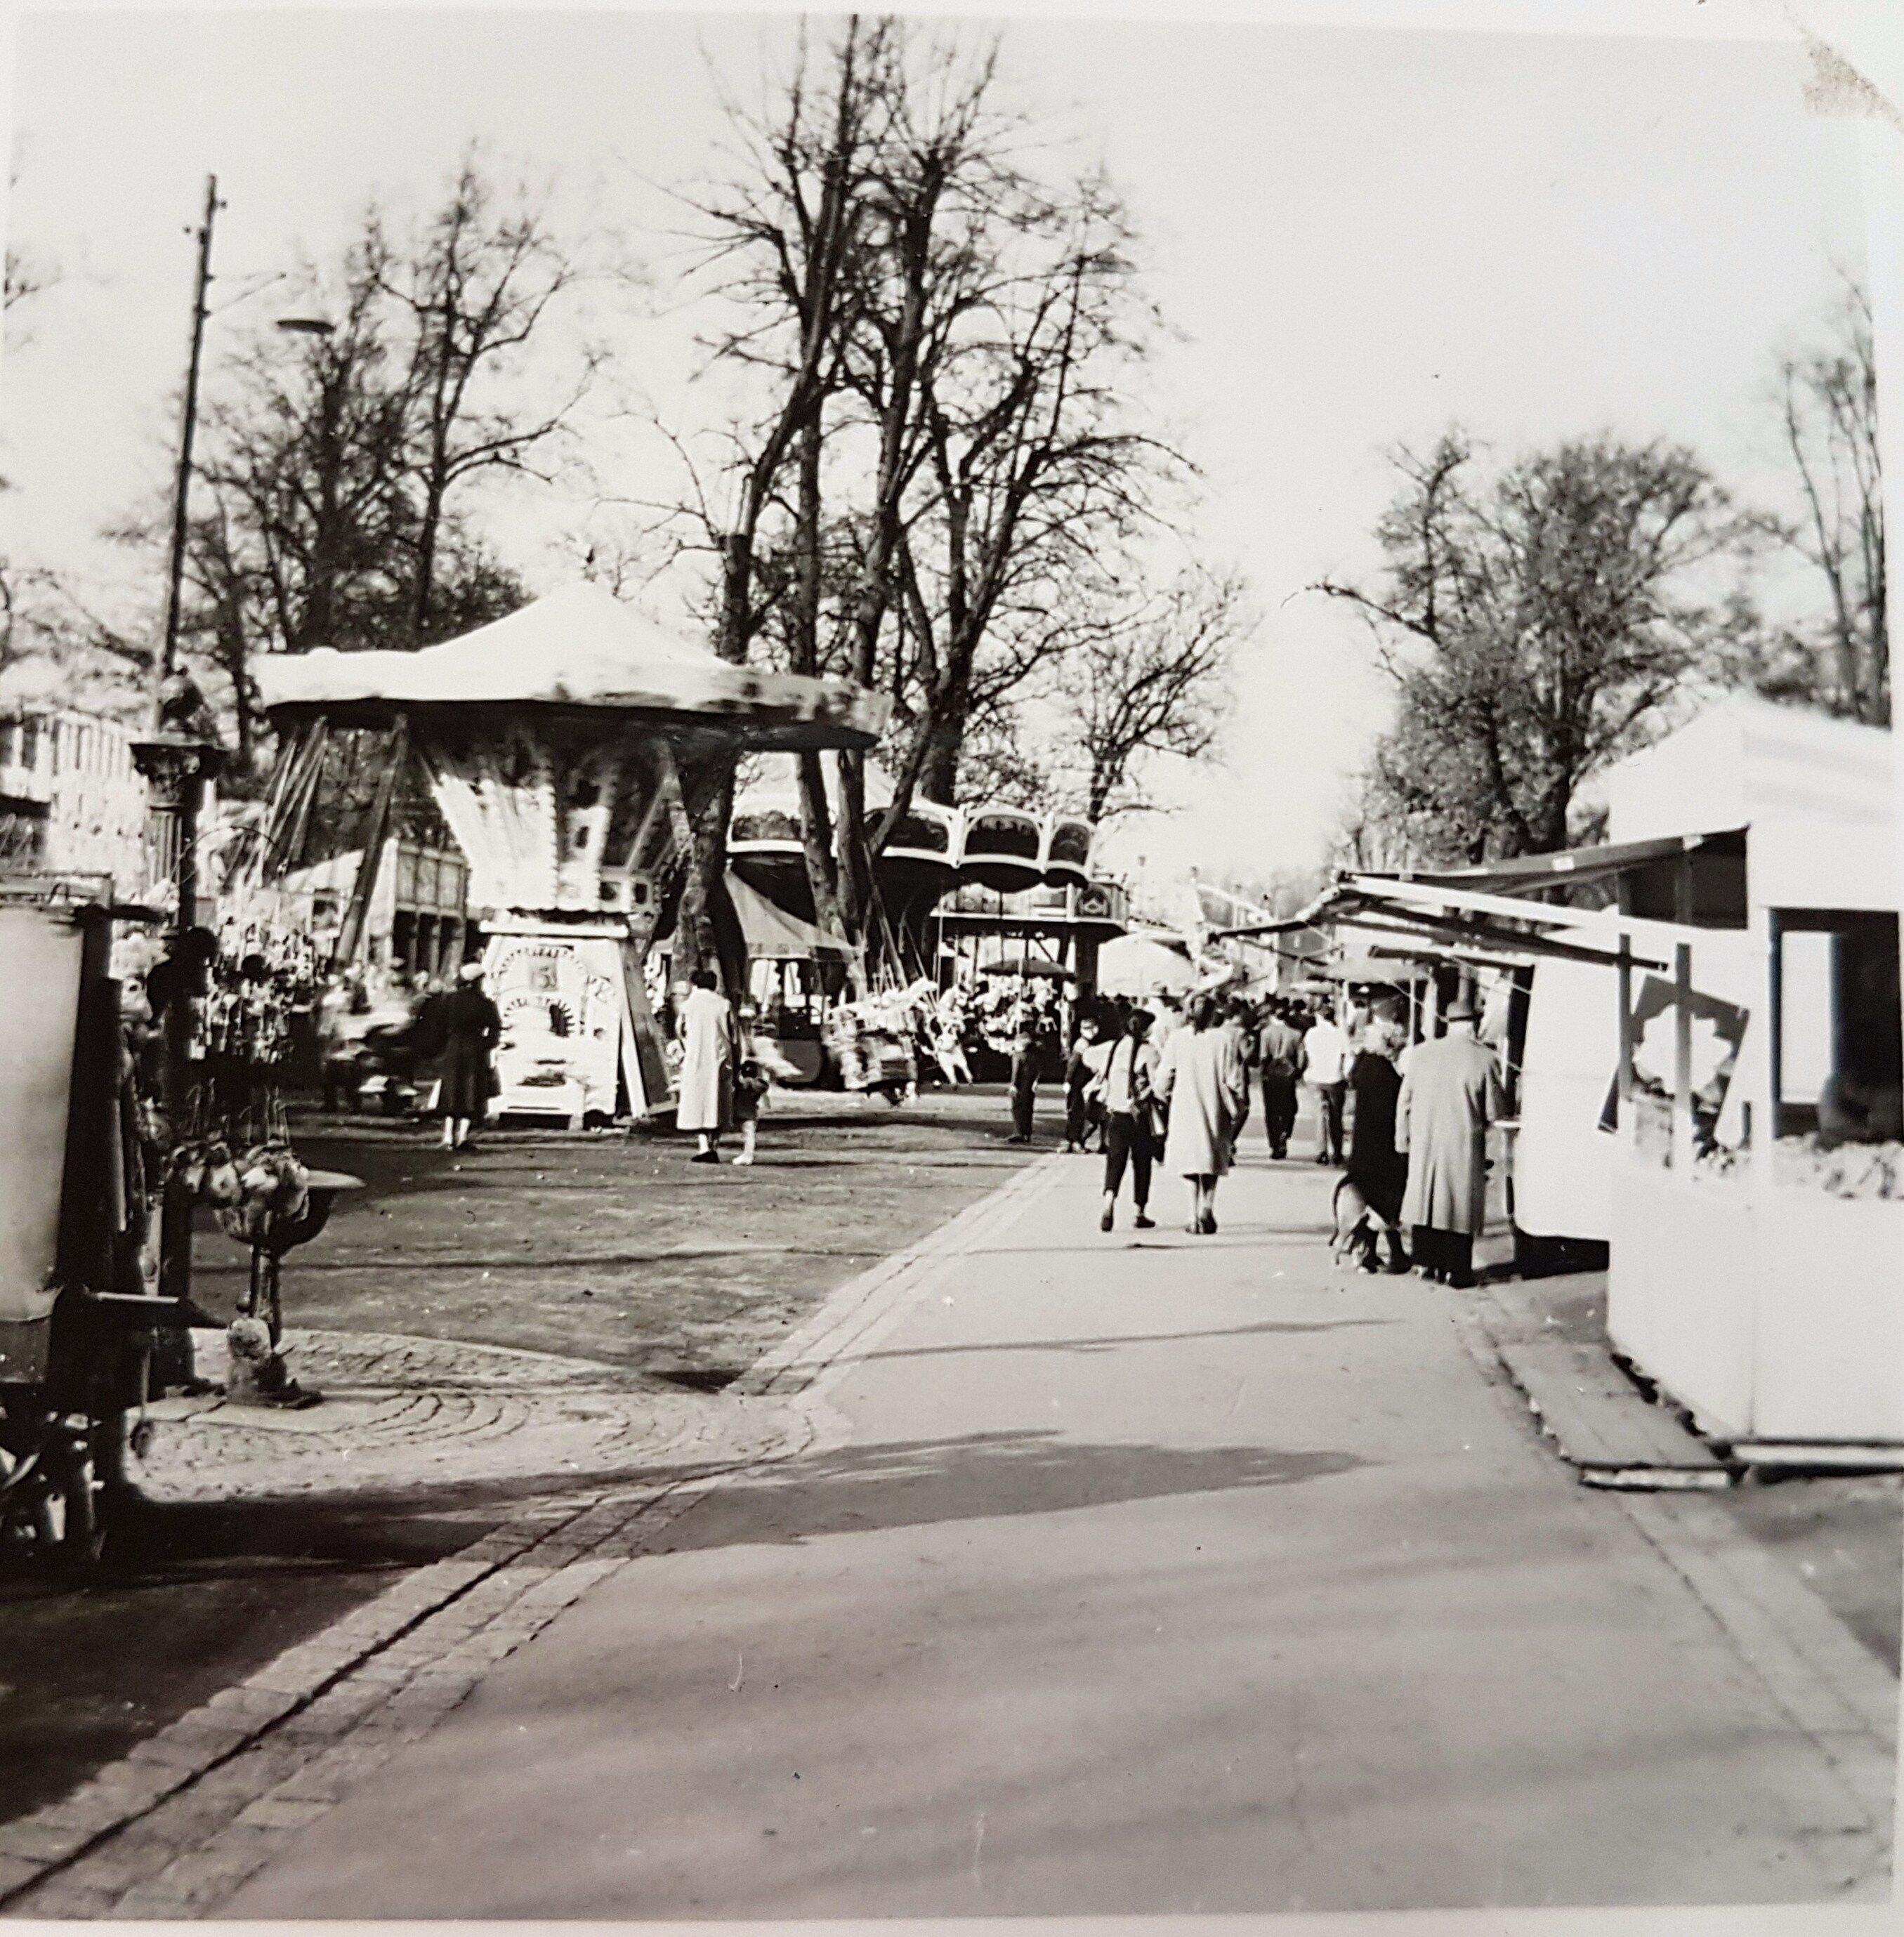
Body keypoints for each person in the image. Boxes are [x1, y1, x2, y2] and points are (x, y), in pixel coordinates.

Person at [1396, 992, 1505, 1287]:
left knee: (1427, 1199)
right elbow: (1495, 1111)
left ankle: (1426, 1262)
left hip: (1425, 1140)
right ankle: (1457, 1271)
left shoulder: (1421, 1054)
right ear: (1473, 1025)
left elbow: (1404, 1102)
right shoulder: (1485, 1059)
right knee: (1458, 1206)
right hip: (1462, 1142)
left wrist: (1402, 1140)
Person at [1155, 990, 1249, 1235]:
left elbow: (1164, 1077)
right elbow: (1233, 1078)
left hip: (1185, 1106)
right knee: (1211, 1158)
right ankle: (1207, 1207)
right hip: (1214, 1105)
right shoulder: (1223, 1040)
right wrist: (1238, 1104)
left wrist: (1163, 1096)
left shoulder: (1177, 1039)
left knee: (1189, 1160)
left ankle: (1192, 1214)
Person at [1344, 1004, 1410, 1273]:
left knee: (1376, 1200)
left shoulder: (1364, 1066)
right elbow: (1391, 1109)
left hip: (1365, 1145)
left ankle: (1373, 1253)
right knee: (1388, 1199)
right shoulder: (1382, 1071)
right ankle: (1387, 1250)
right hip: (1383, 1145)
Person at [1094, 1008, 1160, 1233]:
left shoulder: (1114, 1047)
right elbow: (1159, 1084)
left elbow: (1092, 1062)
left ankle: (1108, 1204)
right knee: (1142, 1163)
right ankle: (1139, 1212)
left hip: (1116, 1114)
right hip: (1138, 1115)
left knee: (1115, 1162)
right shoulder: (1149, 1052)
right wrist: (1144, 1095)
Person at [438, 961, 501, 1152]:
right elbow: (495, 1029)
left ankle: (448, 1136)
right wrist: (487, 1044)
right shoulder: (485, 1003)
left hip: (453, 1048)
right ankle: (463, 1136)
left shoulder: (449, 1000)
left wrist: (441, 1046)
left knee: (451, 1090)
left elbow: (438, 1025)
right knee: (471, 1092)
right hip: (475, 1050)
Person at [677, 968, 737, 1164]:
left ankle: (703, 1146)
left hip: (695, 1060)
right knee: (719, 1104)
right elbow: (734, 1035)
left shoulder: (688, 1006)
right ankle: (714, 1147)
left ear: (695, 985)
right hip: (720, 1059)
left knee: (698, 1104)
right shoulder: (724, 1005)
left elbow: (680, 1031)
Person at [1304, 999, 1351, 1165]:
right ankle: (1337, 1152)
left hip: (1315, 1078)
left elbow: (1308, 1055)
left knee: (1319, 1116)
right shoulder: (1340, 1034)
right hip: (1335, 1079)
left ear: (1319, 1017)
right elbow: (1348, 1057)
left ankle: (1321, 1151)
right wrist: (1345, 1074)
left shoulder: (1311, 1034)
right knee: (1336, 1116)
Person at [1256, 999, 1306, 1159]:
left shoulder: (1265, 1033)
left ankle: (1274, 1142)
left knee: (1271, 1110)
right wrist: (1298, 1072)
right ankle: (1285, 1132)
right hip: (1288, 1076)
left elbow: (1263, 1057)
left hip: (1271, 1075)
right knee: (1289, 1108)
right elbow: (1301, 1058)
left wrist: (1263, 1073)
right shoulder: (1296, 1034)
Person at [1063, 1015, 1103, 1153]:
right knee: (1078, 1112)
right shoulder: (1082, 1045)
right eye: (1089, 1029)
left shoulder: (1085, 1043)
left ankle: (1073, 1141)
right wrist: (1068, 1080)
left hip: (1081, 1083)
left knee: (1077, 1112)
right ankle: (1075, 1141)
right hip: (1078, 1084)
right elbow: (1073, 1064)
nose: (1093, 1031)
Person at [1007, 1027, 1037, 1143]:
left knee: (1017, 1108)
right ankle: (1027, 1133)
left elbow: (1016, 1071)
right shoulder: (1032, 1056)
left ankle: (1018, 1132)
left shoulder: (1017, 1056)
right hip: (1029, 1086)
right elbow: (1037, 1071)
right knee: (1028, 1109)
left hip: (1020, 1086)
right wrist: (1035, 1081)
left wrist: (1013, 1085)